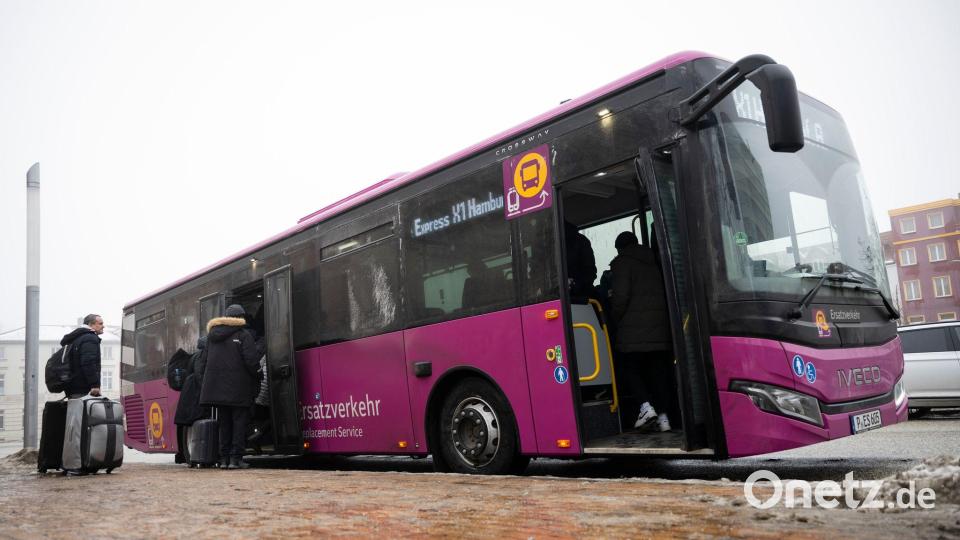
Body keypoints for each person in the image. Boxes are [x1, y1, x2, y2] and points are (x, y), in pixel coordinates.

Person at [610, 231, 675, 432]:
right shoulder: (655, 259)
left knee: (629, 368)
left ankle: (645, 407)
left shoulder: (622, 262)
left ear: (620, 248)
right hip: (660, 328)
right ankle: (664, 419)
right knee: (658, 373)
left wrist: (614, 318)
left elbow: (621, 297)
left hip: (633, 330)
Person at [199, 304, 260, 469]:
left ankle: (224, 459)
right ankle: (236, 459)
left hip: (217, 390)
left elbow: (202, 363)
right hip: (239, 389)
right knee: (239, 423)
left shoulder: (212, 337)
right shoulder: (243, 335)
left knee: (224, 424)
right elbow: (251, 361)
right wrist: (258, 375)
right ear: (240, 318)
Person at [174, 337, 209, 464]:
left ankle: (183, 455)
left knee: (185, 422)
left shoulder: (195, 356)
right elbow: (200, 376)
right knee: (192, 422)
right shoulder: (201, 356)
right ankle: (190, 455)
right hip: (194, 395)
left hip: (188, 395)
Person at [60, 314, 104, 398]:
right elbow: (88, 362)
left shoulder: (77, 338)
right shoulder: (90, 338)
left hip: (73, 387)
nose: (103, 326)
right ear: (91, 324)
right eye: (100, 323)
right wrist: (94, 385)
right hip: (84, 389)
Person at [564, 221, 597, 299]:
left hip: (581, 298)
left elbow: (590, 271)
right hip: (553, 297)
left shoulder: (580, 241)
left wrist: (574, 283)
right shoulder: (545, 244)